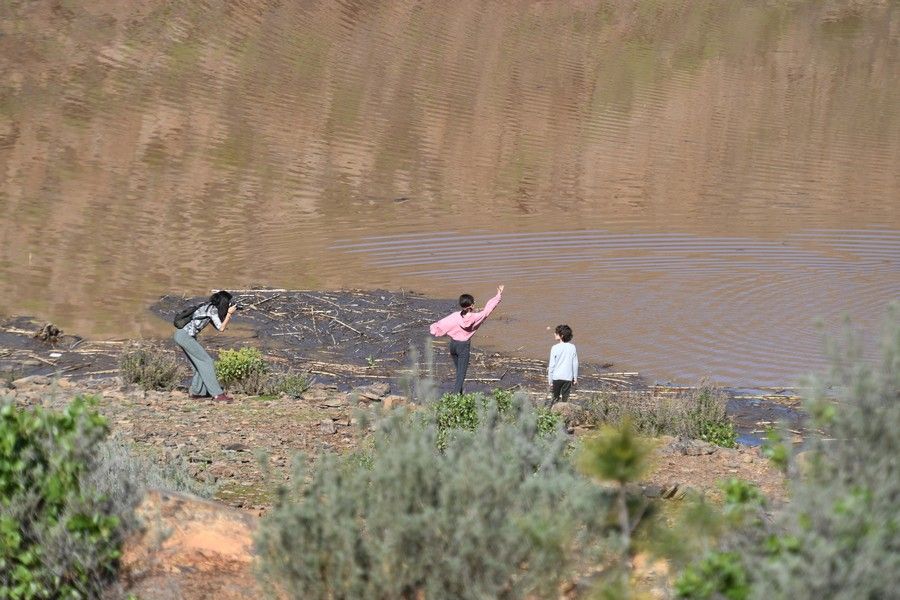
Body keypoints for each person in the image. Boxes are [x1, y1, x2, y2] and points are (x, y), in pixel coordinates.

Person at [430, 285, 504, 394]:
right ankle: (455, 398)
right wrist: (498, 295)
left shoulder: (455, 316)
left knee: (459, 372)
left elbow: (437, 327)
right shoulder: (476, 317)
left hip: (453, 346)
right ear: (472, 305)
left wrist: (437, 331)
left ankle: (459, 394)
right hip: (463, 347)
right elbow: (489, 308)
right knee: (461, 375)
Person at [174, 290, 237, 402]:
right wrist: (229, 314)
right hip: (185, 336)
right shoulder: (212, 310)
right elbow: (221, 328)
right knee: (207, 361)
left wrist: (227, 314)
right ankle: (218, 394)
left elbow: (218, 325)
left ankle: (197, 393)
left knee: (198, 363)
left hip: (183, 335)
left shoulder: (208, 307)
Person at [548, 324, 578, 403]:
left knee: (555, 398)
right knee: (565, 398)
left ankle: (554, 412)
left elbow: (552, 365)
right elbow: (575, 364)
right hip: (568, 377)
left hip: (556, 377)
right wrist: (575, 378)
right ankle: (564, 412)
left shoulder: (554, 347)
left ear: (561, 336)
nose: (554, 334)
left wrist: (550, 380)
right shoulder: (572, 347)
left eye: (556, 333)